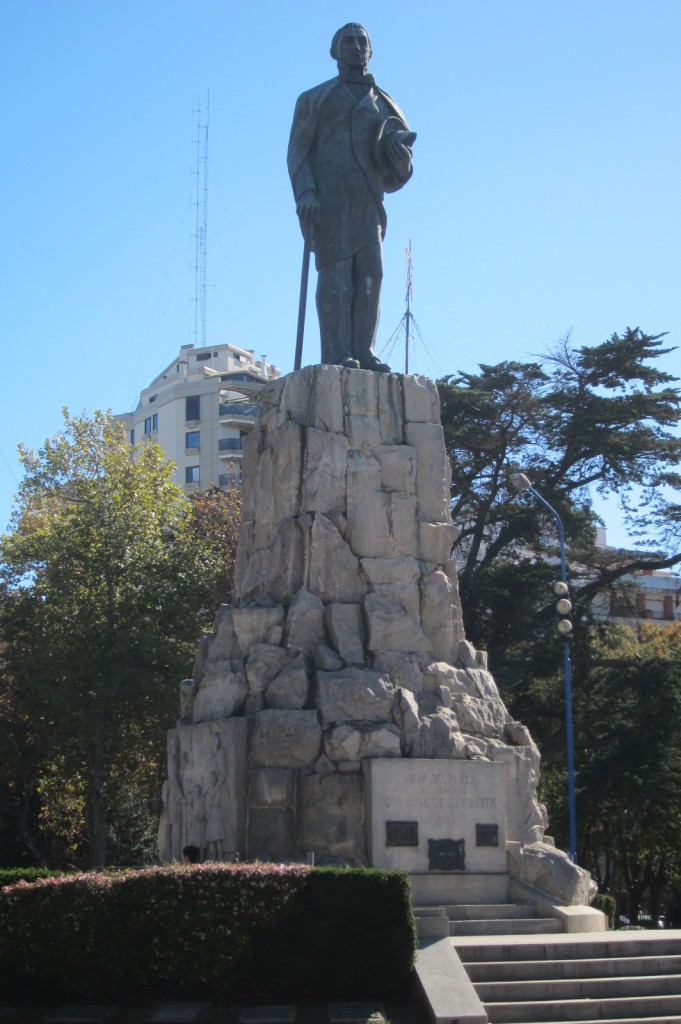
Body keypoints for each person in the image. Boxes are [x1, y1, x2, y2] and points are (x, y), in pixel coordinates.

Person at [288, 23, 415, 372]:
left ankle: (365, 350)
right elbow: (297, 154)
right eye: (348, 41)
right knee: (336, 276)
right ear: (335, 51)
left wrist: (400, 157)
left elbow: (400, 168)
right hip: (329, 203)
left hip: (368, 202)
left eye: (362, 42)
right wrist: (306, 192)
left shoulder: (385, 103)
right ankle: (337, 351)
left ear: (371, 50)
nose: (356, 47)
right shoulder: (314, 99)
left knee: (371, 276)